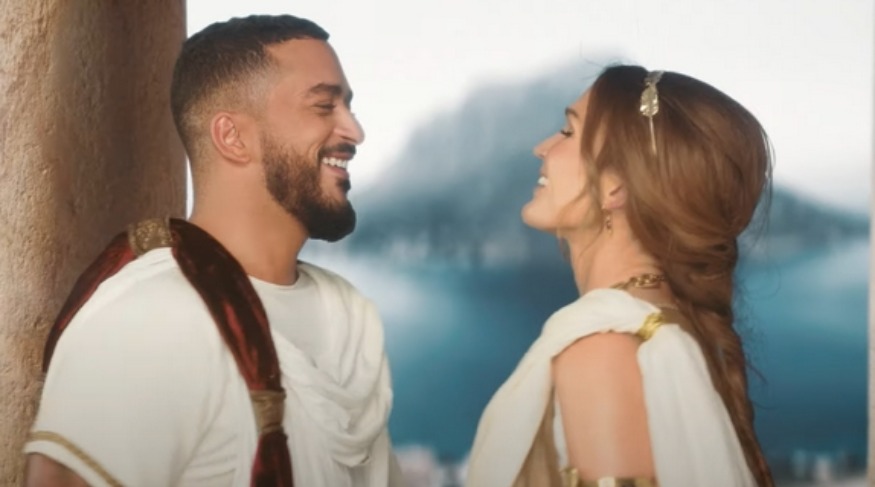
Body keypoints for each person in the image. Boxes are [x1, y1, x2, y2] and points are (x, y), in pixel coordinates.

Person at [24, 14, 403, 487]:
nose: (354, 130)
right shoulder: (145, 321)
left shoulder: (346, 313)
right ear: (232, 138)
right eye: (324, 106)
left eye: (348, 106)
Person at [466, 65, 774, 486]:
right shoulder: (666, 326)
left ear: (615, 186)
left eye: (568, 132)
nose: (542, 147)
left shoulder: (602, 354)